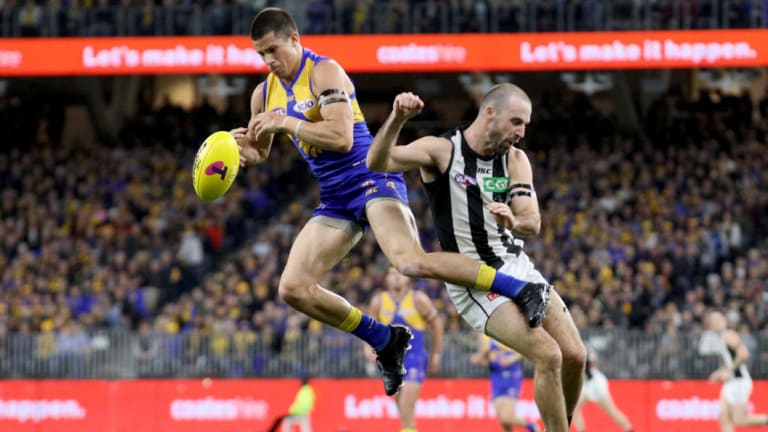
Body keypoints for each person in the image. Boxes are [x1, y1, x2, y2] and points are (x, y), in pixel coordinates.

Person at [231, 8, 550, 397]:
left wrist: (286, 123)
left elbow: (342, 137)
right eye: (261, 53)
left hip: (371, 177)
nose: (268, 61)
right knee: (293, 288)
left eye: (273, 49)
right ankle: (385, 340)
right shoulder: (263, 93)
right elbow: (260, 151)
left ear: (295, 40)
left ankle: (518, 288)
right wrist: (238, 149)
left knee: (409, 261)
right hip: (334, 195)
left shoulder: (324, 71)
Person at [366, 85, 587, 432]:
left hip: (517, 266)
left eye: (525, 125)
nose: (521, 132)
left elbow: (533, 221)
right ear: (489, 113)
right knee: (549, 355)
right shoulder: (441, 151)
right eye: (516, 122)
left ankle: (558, 425)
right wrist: (397, 118)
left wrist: (514, 220)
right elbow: (377, 162)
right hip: (474, 279)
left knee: (575, 355)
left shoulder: (515, 159)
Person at [367, 266, 444, 432]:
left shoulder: (418, 299)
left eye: (400, 274)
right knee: (404, 413)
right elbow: (369, 328)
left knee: (406, 407)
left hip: (415, 358)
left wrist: (436, 355)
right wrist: (367, 349)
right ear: (386, 278)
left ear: (408, 278)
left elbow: (437, 324)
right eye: (392, 274)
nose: (396, 278)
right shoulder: (378, 301)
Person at [700, 310, 768, 432]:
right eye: (713, 321)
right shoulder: (720, 338)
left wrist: (729, 371)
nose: (716, 323)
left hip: (739, 382)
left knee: (739, 420)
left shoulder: (729, 335)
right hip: (732, 383)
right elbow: (729, 361)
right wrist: (720, 372)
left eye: (718, 319)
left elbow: (744, 354)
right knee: (723, 417)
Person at [469, 333, 539, 432]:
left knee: (507, 417)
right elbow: (485, 358)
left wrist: (511, 359)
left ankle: (532, 426)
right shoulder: (482, 335)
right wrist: (478, 360)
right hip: (496, 375)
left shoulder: (507, 329)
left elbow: (524, 351)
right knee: (503, 421)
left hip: (511, 374)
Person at [571, 346, 633, 432]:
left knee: (612, 412)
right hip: (587, 384)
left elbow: (589, 363)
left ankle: (629, 429)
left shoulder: (583, 351)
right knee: (574, 409)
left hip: (595, 385)